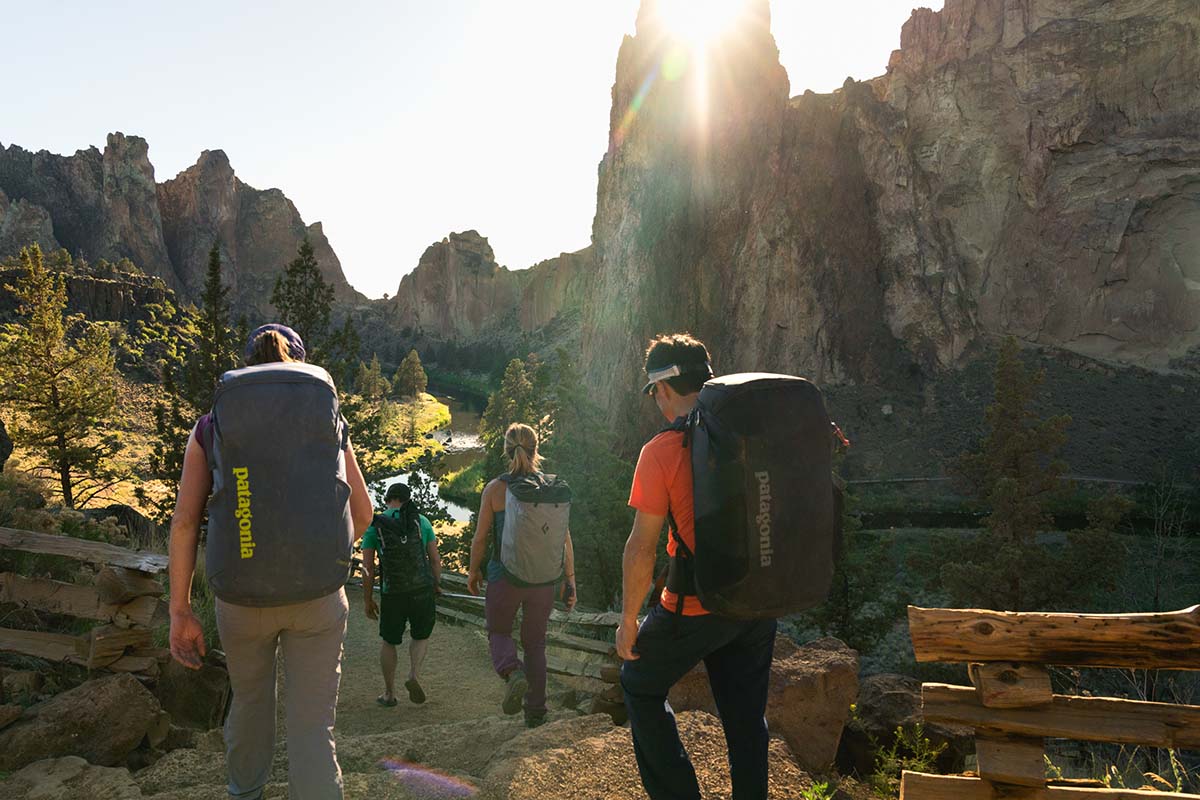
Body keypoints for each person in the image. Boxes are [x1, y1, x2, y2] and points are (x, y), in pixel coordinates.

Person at [168, 323, 373, 800]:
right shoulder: (327, 420)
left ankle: (245, 792)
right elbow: (362, 514)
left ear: (248, 366)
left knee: (251, 706)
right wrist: (320, 556)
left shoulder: (211, 424)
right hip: (319, 599)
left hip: (241, 595)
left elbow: (183, 524)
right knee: (312, 728)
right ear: (300, 364)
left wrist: (180, 610)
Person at [616, 333, 778, 800]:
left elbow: (641, 547)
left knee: (640, 684)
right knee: (746, 720)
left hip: (696, 606)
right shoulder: (752, 430)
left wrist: (629, 621)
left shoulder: (661, 451)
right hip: (758, 599)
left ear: (663, 388)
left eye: (654, 394)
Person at [467, 422, 578, 728]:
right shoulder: (549, 489)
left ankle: (512, 672)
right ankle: (537, 712)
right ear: (535, 449)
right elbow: (564, 538)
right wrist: (569, 578)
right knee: (536, 644)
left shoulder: (496, 489)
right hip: (544, 581)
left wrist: (473, 571)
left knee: (499, 632)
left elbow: (480, 538)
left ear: (506, 450)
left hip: (505, 577)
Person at [361, 481, 442, 706]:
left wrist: (368, 599)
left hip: (392, 592)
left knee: (389, 641)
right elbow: (434, 559)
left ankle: (389, 693)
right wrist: (435, 584)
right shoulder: (421, 522)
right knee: (420, 636)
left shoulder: (374, 525)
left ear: (388, 499)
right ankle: (414, 674)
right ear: (408, 500)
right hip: (421, 590)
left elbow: (367, 567)